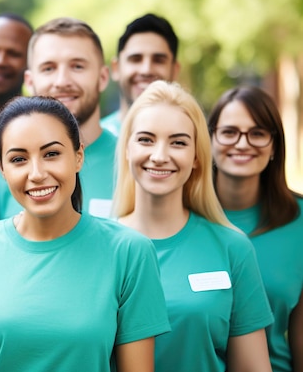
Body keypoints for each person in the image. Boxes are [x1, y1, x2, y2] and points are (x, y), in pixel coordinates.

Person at [0, 96, 170, 372]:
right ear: (1, 169)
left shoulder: (129, 251)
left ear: (78, 156)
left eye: (51, 154)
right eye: (19, 159)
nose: (37, 173)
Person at [113, 80, 273, 371]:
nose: (160, 155)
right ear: (126, 149)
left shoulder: (233, 248)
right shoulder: (98, 246)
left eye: (178, 142)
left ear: (197, 156)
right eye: (146, 139)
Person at [0, 17, 117, 224]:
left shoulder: (132, 163)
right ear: (29, 81)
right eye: (48, 68)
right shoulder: (0, 173)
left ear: (103, 78)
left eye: (77, 66)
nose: (62, 82)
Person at [208, 86, 303, 372]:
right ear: (209, 140)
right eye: (229, 132)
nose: (242, 143)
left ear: (274, 145)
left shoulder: (299, 221)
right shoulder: (181, 215)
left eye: (258, 133)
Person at [101, 13, 180, 136]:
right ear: (115, 68)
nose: (146, 70)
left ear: (175, 70)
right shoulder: (87, 143)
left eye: (158, 60)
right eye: (135, 59)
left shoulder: (194, 141)